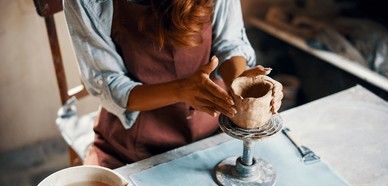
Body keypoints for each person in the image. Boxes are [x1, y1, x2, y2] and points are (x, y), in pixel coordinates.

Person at [63, 0, 283, 169]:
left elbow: (229, 42)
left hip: (212, 130)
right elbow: (109, 84)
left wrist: (241, 83)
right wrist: (181, 90)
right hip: (131, 145)